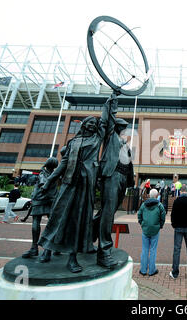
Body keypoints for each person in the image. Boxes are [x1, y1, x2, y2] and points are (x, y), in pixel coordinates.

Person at [38, 94, 114, 273]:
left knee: (79, 221)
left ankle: (72, 258)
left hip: (85, 185)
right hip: (68, 184)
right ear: (83, 124)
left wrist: (110, 102)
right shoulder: (74, 142)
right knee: (58, 216)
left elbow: (104, 121)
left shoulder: (97, 139)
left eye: (94, 124)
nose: (92, 125)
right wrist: (49, 181)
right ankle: (47, 250)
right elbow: (63, 164)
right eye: (89, 122)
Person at [94, 93, 135, 269]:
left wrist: (128, 182)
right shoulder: (111, 137)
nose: (125, 129)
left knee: (106, 212)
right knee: (108, 213)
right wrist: (113, 100)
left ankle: (88, 237)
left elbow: (128, 164)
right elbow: (108, 119)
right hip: (111, 176)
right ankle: (104, 251)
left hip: (122, 180)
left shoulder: (124, 143)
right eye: (123, 126)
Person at [22, 157, 58, 258]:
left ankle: (35, 248)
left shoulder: (43, 173)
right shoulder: (55, 174)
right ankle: (50, 248)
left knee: (36, 222)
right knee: (52, 224)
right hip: (51, 200)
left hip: (40, 199)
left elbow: (43, 183)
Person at [169, 185, 187, 279]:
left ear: (181, 191)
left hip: (178, 227)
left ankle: (175, 272)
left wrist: (174, 224)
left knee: (177, 249)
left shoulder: (177, 201)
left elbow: (172, 215)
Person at [137, 189, 166, 276]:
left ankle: (143, 270)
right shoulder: (159, 205)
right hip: (155, 229)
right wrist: (160, 225)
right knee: (153, 250)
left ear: (149, 195)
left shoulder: (144, 204)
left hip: (145, 229)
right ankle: (152, 270)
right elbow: (163, 216)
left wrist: (142, 223)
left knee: (145, 249)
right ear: (157, 196)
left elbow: (139, 215)